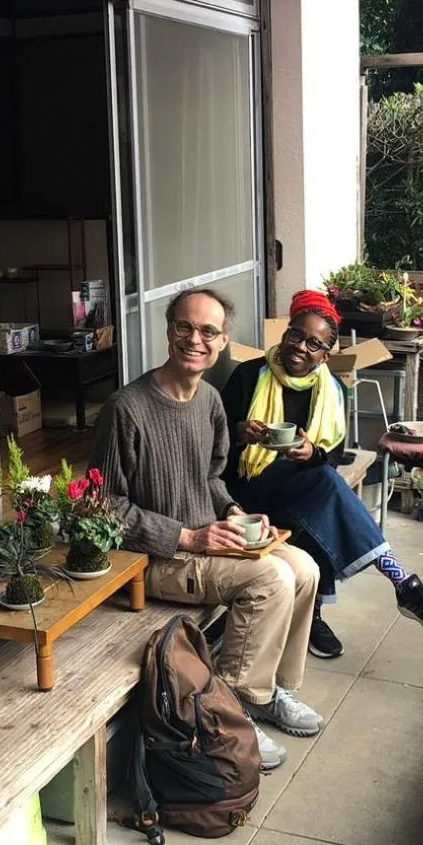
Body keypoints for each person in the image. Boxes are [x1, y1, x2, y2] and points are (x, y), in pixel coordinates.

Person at [91, 288, 324, 772]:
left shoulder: (211, 401)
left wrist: (237, 511)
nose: (195, 340)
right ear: (169, 330)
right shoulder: (126, 408)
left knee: (303, 567)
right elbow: (104, 508)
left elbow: (212, 480)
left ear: (222, 342)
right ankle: (229, 713)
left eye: (208, 332)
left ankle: (271, 691)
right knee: (271, 581)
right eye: (185, 327)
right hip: (159, 559)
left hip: (210, 542)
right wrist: (187, 537)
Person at [222, 290, 423, 660]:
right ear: (285, 334)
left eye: (314, 343)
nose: (301, 347)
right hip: (247, 488)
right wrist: (241, 433)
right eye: (296, 335)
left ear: (325, 356)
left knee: (322, 495)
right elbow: (215, 443)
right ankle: (403, 583)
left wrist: (310, 453)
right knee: (325, 490)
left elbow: (331, 456)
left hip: (300, 486)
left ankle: (313, 614)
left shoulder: (330, 391)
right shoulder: (249, 375)